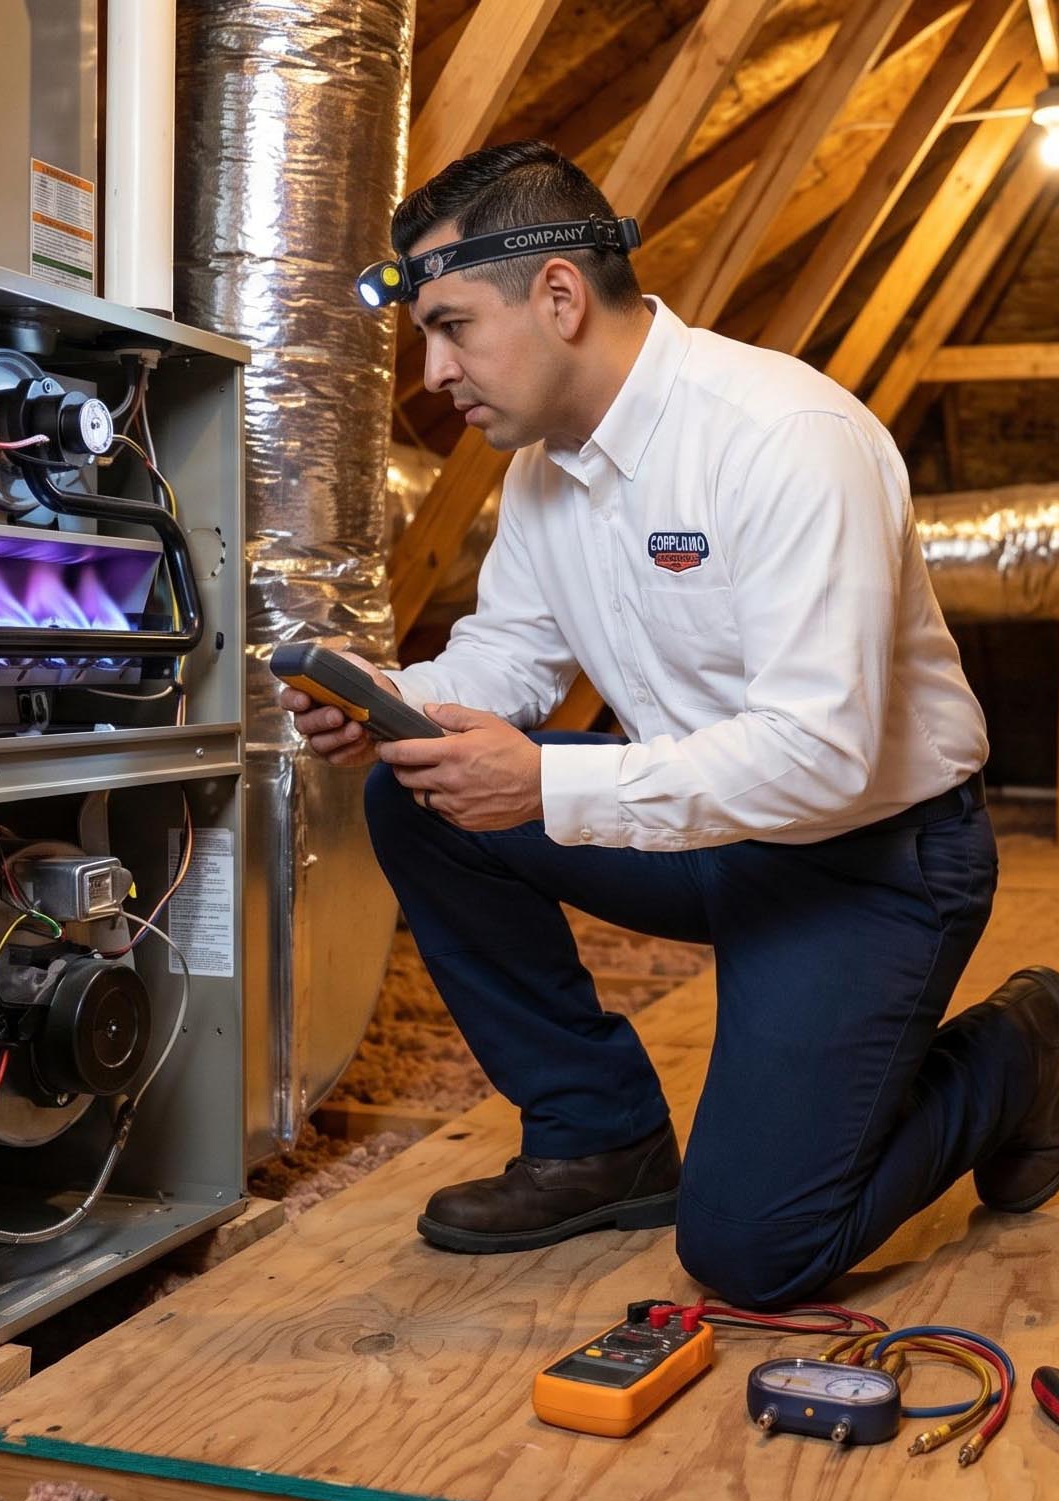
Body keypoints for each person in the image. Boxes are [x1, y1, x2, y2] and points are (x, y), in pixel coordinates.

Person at [280, 140, 1059, 1309]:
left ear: (555, 294)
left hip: (868, 862)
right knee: (419, 792)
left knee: (754, 1251)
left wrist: (543, 787)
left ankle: (1025, 1047)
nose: (433, 371)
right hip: (708, 835)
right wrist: (395, 703)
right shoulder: (545, 470)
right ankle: (600, 1136)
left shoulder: (783, 436)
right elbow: (510, 654)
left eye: (449, 327)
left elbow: (818, 750)